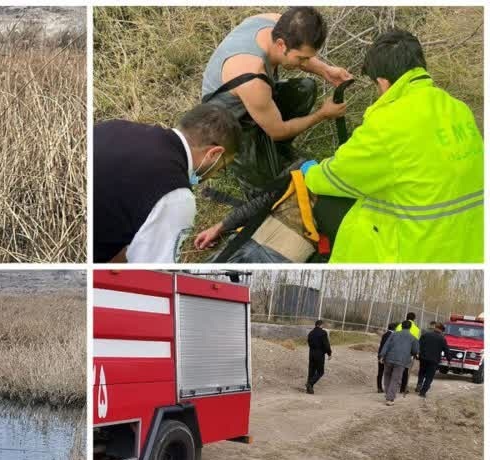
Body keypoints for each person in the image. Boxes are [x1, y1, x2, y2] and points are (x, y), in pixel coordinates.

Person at [302, 29, 483, 263]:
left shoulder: (387, 123)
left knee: (327, 207)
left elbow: (336, 177)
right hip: (469, 246)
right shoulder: (458, 109)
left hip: (417, 250)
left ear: (383, 82)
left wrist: (311, 172)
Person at [201, 7, 350, 196]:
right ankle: (242, 161)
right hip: (227, 124)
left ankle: (270, 147)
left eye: (309, 58)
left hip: (255, 101)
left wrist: (326, 70)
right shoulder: (252, 77)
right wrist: (322, 114)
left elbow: (300, 54)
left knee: (305, 88)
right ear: (281, 44)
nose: (305, 64)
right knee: (268, 190)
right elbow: (278, 132)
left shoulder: (277, 24)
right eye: (302, 59)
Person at [93, 104, 241, 262]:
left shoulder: (115, 126)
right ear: (214, 153)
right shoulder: (175, 196)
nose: (216, 174)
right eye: (221, 168)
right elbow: (150, 269)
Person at [379, 320, 420, 406]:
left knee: (387, 376)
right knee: (395, 379)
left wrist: (382, 355)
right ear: (410, 327)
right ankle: (390, 398)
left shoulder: (393, 334)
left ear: (401, 326)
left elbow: (386, 345)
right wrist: (413, 353)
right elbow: (415, 351)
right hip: (401, 361)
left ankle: (388, 394)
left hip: (389, 358)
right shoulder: (413, 338)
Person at [416, 322, 450, 398]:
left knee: (422, 372)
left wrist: (418, 354)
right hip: (434, 360)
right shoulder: (442, 339)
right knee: (429, 376)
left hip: (423, 358)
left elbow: (419, 344)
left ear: (435, 327)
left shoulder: (425, 334)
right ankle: (423, 392)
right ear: (441, 330)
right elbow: (446, 350)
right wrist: (449, 359)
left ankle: (419, 383)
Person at [395, 312, 421, 394]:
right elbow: (415, 342)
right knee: (406, 370)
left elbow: (395, 337)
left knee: (396, 368)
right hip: (408, 352)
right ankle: (403, 388)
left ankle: (394, 385)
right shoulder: (416, 329)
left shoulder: (399, 326)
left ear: (406, 317)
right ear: (414, 319)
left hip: (397, 350)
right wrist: (415, 353)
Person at [306, 319, 332, 394]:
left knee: (311, 371)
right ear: (321, 325)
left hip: (311, 354)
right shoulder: (323, 333)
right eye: (323, 325)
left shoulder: (311, 333)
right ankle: (310, 383)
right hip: (319, 354)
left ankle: (309, 390)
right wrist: (329, 353)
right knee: (320, 372)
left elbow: (309, 343)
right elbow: (326, 345)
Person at [377, 322, 398, 393]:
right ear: (395, 328)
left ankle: (379, 387)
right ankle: (388, 388)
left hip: (380, 354)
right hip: (388, 356)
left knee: (380, 371)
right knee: (389, 373)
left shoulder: (384, 334)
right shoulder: (393, 335)